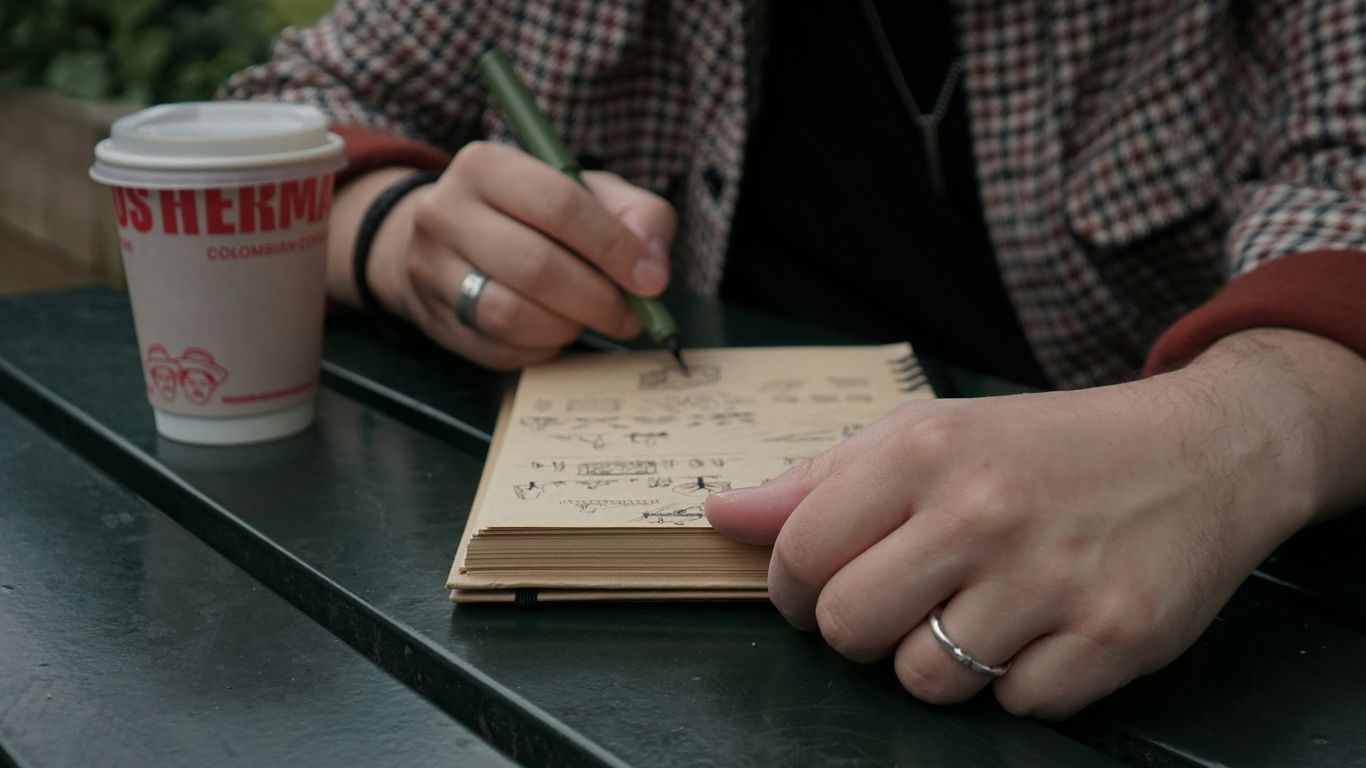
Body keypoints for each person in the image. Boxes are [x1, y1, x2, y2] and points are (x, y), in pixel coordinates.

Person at [221, 0, 1366, 718]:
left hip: (1177, 630)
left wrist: (1236, 433)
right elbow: (270, 116)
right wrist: (399, 235)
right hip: (641, 668)